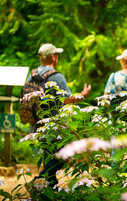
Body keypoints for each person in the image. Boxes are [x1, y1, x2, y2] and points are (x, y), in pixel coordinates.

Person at [27, 43, 91, 187]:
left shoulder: (32, 75)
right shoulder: (57, 76)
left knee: (49, 155)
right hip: (54, 126)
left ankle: (49, 187)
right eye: (57, 55)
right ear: (54, 58)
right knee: (63, 153)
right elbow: (67, 99)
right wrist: (83, 95)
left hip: (35, 124)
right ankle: (38, 182)